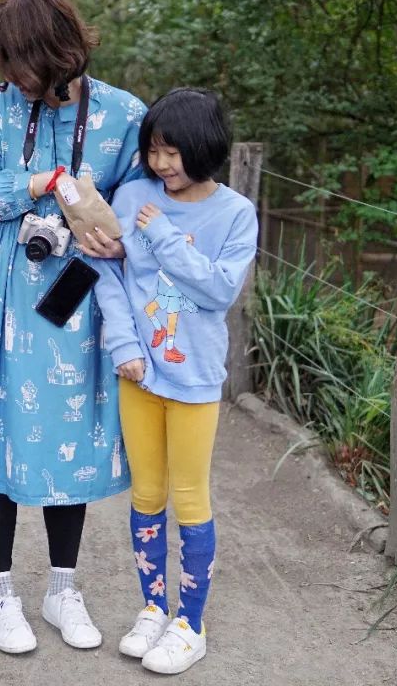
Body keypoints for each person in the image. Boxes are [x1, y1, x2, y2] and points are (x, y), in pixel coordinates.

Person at [0, 0, 146, 656]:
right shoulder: (4, 107)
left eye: (18, 63)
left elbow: (141, 206)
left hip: (74, 296)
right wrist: (38, 183)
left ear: (56, 50)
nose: (12, 79)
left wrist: (109, 229)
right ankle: (1, 594)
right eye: (5, 67)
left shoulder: (122, 114)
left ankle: (62, 588)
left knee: (66, 439)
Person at [89, 87, 258, 674]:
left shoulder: (235, 213)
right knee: (146, 495)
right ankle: (154, 608)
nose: (162, 164)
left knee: (190, 498)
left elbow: (216, 291)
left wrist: (161, 235)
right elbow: (106, 269)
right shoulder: (131, 192)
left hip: (195, 380)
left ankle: (192, 623)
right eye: (155, 151)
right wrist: (124, 344)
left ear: (205, 148)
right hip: (138, 372)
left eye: (175, 152)